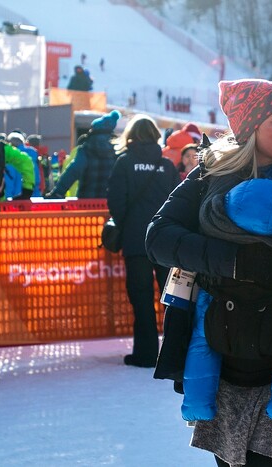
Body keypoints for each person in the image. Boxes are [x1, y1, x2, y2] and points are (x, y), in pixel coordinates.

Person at [146, 79, 272, 467]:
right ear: (250, 126)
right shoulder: (212, 173)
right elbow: (158, 237)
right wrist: (235, 262)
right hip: (224, 354)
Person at [106, 114, 179, 368]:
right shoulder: (167, 166)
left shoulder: (124, 163)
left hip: (136, 241)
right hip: (164, 241)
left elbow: (116, 201)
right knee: (173, 299)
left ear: (131, 136)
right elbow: (177, 203)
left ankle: (146, 354)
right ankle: (176, 355)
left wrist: (128, 226)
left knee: (141, 297)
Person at [45, 110, 120, 199]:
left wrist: (58, 193)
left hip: (86, 203)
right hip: (110, 203)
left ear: (94, 129)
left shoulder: (86, 149)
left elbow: (73, 171)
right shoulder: (117, 150)